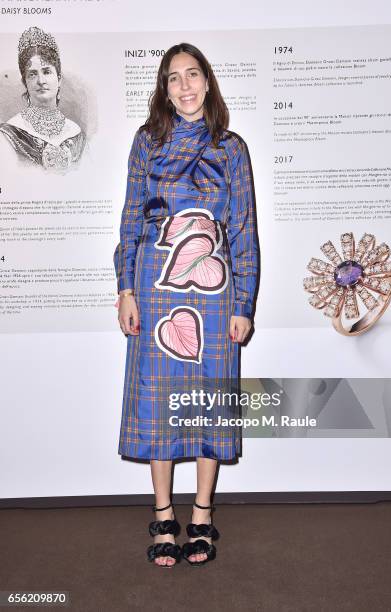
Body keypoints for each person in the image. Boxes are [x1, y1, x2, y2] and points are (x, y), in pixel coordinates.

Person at [114, 42, 259, 568]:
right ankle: (163, 514)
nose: (184, 86)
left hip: (214, 290)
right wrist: (126, 289)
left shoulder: (231, 148)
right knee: (157, 399)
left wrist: (244, 302)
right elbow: (131, 220)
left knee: (206, 399)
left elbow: (242, 230)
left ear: (207, 81)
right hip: (155, 287)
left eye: (192, 74)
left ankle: (201, 514)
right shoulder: (147, 143)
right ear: (164, 88)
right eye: (173, 78)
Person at [0, 26, 86, 172]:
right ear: (25, 83)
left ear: (59, 79)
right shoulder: (10, 134)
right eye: (32, 74)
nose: (41, 80)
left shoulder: (76, 132)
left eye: (46, 72)